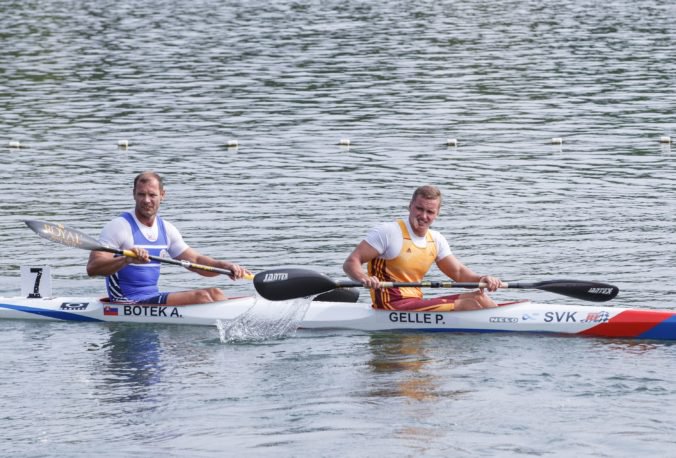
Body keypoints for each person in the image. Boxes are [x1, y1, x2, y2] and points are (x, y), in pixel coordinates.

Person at [86, 171, 251, 306]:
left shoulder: (166, 229)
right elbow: (93, 268)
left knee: (216, 293)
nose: (146, 200)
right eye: (141, 194)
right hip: (127, 303)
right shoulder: (118, 226)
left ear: (162, 195)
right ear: (133, 195)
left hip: (151, 297)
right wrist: (126, 259)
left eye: (152, 195)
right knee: (202, 297)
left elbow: (195, 260)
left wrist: (225, 266)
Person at [343, 185, 503, 312]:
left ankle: (503, 322)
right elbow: (351, 262)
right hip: (390, 305)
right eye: (419, 209)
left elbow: (459, 273)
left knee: (478, 297)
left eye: (430, 212)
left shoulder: (436, 239)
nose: (424, 216)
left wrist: (483, 279)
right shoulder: (388, 232)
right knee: (470, 304)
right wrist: (364, 278)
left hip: (416, 301)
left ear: (437, 213)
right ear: (410, 206)